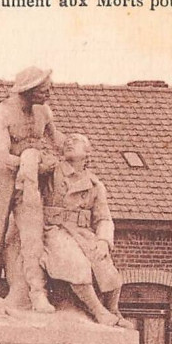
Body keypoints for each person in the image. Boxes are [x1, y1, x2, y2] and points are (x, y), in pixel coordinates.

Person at [0, 67, 64, 312]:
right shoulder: (2, 113)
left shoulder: (44, 112)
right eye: (45, 90)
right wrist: (32, 162)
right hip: (2, 180)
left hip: (29, 181)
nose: (50, 93)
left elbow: (57, 141)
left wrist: (74, 149)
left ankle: (37, 293)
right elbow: (1, 155)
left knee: (32, 233)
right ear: (30, 90)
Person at [40, 133, 131, 327]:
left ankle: (113, 310)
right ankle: (98, 311)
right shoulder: (52, 171)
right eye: (68, 142)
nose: (69, 142)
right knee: (76, 265)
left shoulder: (95, 185)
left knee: (109, 272)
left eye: (76, 142)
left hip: (83, 232)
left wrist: (103, 241)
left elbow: (104, 218)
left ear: (87, 153)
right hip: (53, 229)